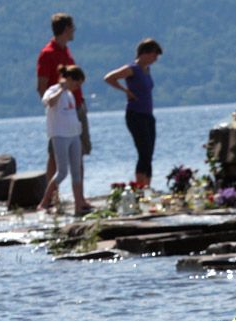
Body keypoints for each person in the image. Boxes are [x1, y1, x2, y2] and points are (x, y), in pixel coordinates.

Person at [36, 13, 91, 208]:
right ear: (66, 29)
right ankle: (51, 198)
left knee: (79, 152)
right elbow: (42, 86)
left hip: (75, 107)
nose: (74, 31)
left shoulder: (66, 51)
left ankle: (80, 199)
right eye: (72, 28)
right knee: (54, 157)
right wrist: (52, 109)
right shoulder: (47, 53)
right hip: (60, 113)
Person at [104, 38, 163, 189]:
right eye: (154, 55)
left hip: (148, 115)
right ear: (145, 53)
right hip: (135, 115)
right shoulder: (133, 68)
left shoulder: (147, 70)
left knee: (149, 153)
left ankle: (147, 188)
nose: (155, 59)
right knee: (143, 152)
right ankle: (139, 188)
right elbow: (109, 78)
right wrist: (125, 91)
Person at [37, 65, 87, 215]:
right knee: (62, 172)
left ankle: (79, 206)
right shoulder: (53, 90)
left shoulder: (71, 95)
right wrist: (61, 89)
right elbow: (49, 102)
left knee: (76, 170)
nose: (77, 88)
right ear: (69, 79)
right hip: (59, 135)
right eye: (76, 84)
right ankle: (44, 202)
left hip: (73, 135)